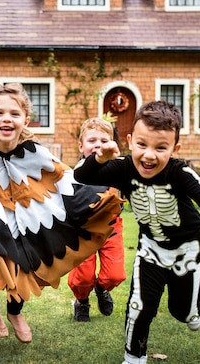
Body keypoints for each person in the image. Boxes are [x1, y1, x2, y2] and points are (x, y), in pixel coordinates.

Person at [0, 83, 122, 343]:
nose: (7, 118)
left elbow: (66, 179)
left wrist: (101, 180)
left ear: (25, 120)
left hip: (24, 219)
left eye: (14, 114)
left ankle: (15, 313)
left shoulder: (35, 154)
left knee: (23, 266)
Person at [74, 100, 200, 364]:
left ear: (175, 149)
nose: (149, 155)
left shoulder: (180, 173)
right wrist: (99, 158)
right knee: (139, 307)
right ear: (130, 141)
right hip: (150, 248)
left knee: (182, 312)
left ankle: (193, 309)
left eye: (161, 147)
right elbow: (81, 177)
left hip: (188, 249)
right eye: (142, 145)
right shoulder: (123, 168)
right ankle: (133, 358)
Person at [69, 117, 126, 322]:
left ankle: (102, 289)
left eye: (104, 141)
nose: (98, 146)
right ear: (81, 145)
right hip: (83, 229)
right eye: (92, 140)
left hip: (111, 227)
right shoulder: (76, 173)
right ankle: (82, 301)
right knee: (83, 277)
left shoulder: (119, 169)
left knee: (115, 274)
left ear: (112, 144)